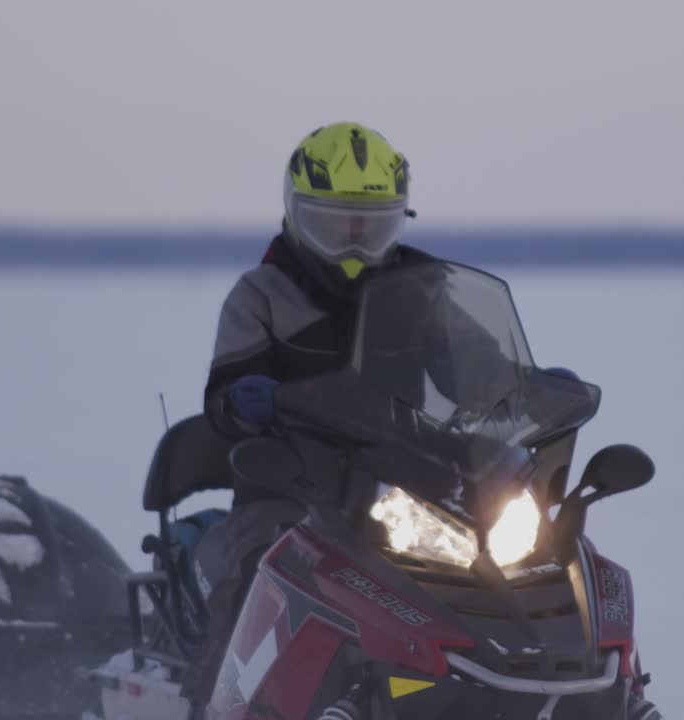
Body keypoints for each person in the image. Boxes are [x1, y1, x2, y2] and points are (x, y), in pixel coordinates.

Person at [180, 121, 427, 715]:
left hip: (406, 487)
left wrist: (526, 387)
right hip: (288, 488)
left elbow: (480, 359)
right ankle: (213, 704)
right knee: (258, 570)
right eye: (335, 224)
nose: (354, 245)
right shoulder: (261, 294)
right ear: (296, 215)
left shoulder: (423, 289)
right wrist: (244, 400)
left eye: (371, 227)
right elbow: (221, 395)